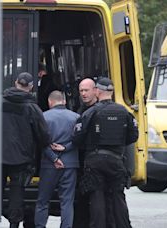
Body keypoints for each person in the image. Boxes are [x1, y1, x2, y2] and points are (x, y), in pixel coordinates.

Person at [73, 77, 139, 228]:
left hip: (94, 160)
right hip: (116, 159)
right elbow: (133, 136)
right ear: (112, 91)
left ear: (97, 91)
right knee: (118, 196)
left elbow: (77, 137)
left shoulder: (91, 112)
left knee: (96, 197)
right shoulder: (124, 112)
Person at [2, 72, 51, 228]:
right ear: (30, 87)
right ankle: (14, 223)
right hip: (21, 158)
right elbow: (43, 134)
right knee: (17, 192)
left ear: (16, 82)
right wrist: (48, 145)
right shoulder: (32, 108)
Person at [35, 90, 80, 228]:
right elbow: (80, 140)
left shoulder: (43, 117)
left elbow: (41, 142)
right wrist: (66, 148)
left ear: (50, 102)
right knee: (67, 201)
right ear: (64, 101)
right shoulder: (76, 117)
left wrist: (54, 158)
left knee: (43, 201)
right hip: (70, 163)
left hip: (49, 165)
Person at [73, 77, 98, 228]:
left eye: (86, 90)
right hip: (82, 160)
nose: (83, 94)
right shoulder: (81, 110)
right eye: (81, 91)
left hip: (95, 159)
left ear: (95, 91)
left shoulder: (99, 110)